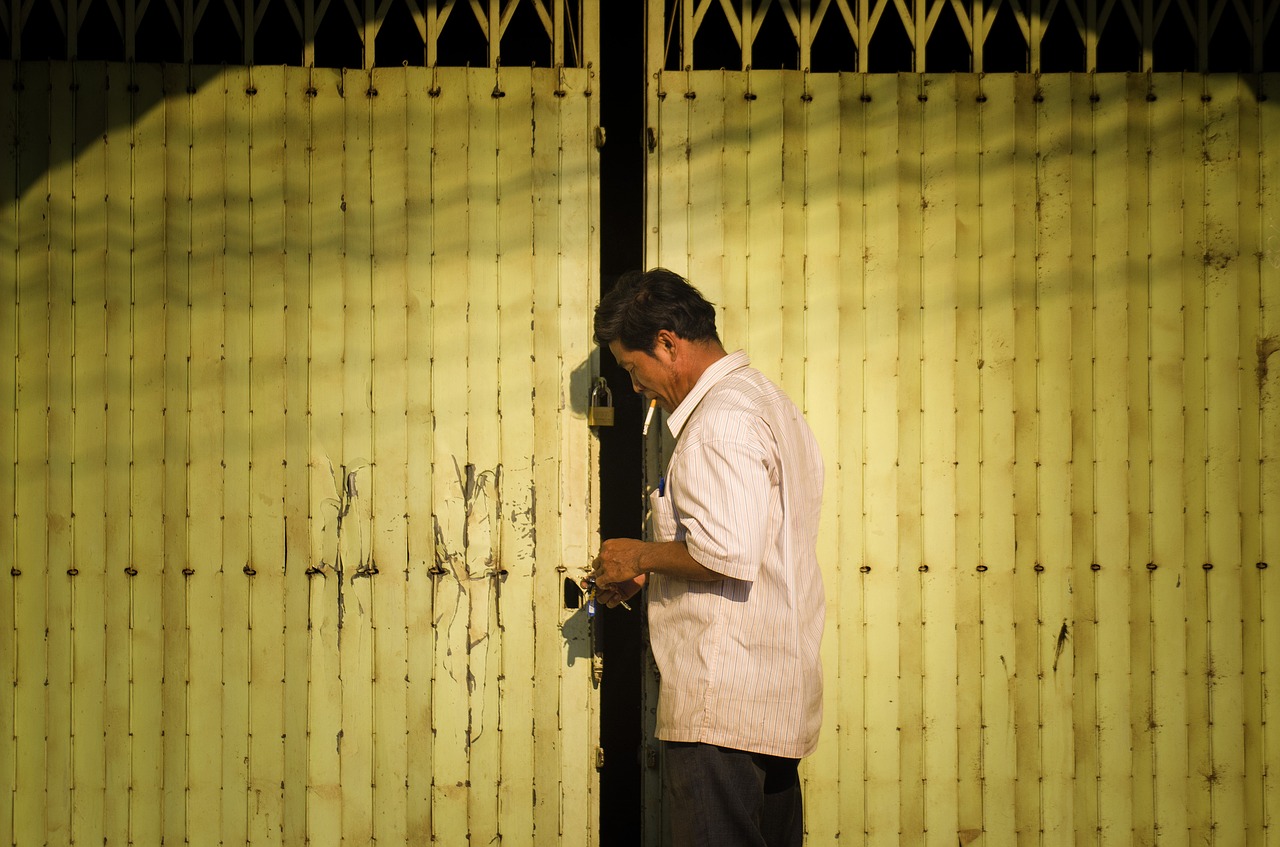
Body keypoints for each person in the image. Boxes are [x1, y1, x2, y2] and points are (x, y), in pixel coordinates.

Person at [587, 268, 826, 847]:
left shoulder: (720, 420)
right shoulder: (767, 401)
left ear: (667, 343)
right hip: (768, 705)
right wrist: (656, 567)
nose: (635, 384)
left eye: (630, 367)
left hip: (722, 709)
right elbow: (747, 545)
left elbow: (727, 551)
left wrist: (635, 553)